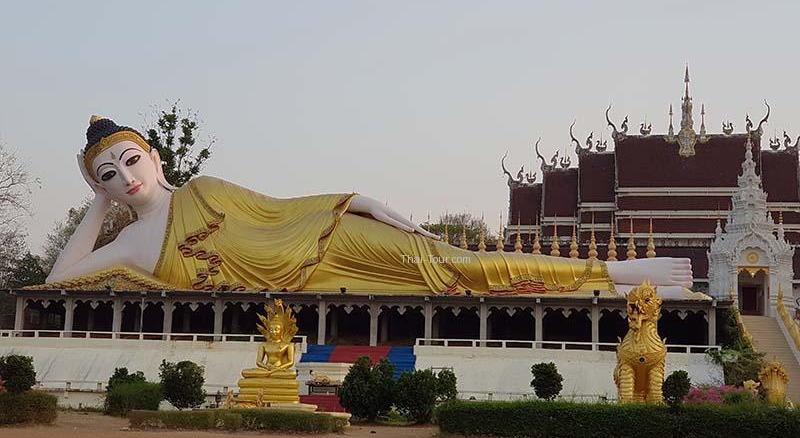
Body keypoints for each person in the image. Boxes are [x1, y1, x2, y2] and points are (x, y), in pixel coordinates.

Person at [47, 117, 697, 298]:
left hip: (330, 242)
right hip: (309, 291)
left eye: (131, 161)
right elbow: (56, 281)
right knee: (458, 289)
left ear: (155, 158)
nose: (125, 177)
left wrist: (366, 204)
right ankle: (610, 278)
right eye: (109, 175)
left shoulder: (204, 190)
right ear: (100, 189)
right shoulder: (131, 246)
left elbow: (283, 208)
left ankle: (616, 275)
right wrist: (94, 207)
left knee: (462, 266)